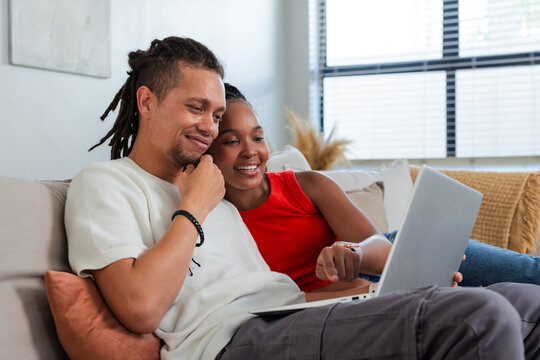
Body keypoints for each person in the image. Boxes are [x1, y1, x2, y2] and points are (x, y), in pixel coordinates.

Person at [65, 37, 540, 360]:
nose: (209, 127)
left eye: (214, 114)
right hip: (229, 339)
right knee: (483, 315)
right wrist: (193, 208)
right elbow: (140, 307)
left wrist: (377, 287)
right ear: (146, 103)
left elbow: (282, 285)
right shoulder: (107, 183)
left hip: (288, 312)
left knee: (524, 302)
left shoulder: (214, 184)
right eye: (196, 109)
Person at [207, 83, 540, 294]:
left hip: (391, 264)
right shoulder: (211, 220)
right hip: (355, 301)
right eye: (232, 141)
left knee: (530, 274)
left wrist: (355, 253)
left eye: (259, 137)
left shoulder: (306, 185)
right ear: (207, 149)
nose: (251, 151)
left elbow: (381, 246)